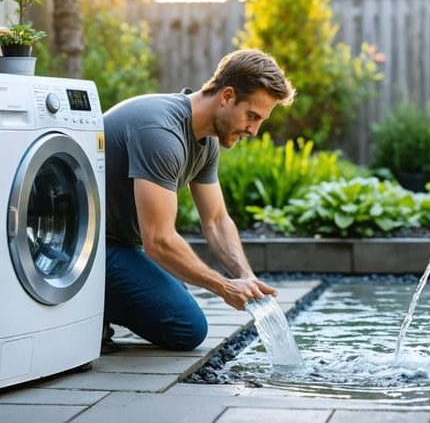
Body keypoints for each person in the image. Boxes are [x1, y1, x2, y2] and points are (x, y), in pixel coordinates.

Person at [102, 49, 296, 352]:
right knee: (187, 326)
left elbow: (216, 220)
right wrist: (223, 286)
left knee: (177, 287)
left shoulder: (206, 140)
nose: (255, 130)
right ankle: (91, 315)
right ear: (227, 96)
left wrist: (246, 277)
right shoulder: (161, 132)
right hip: (84, 248)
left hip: (118, 244)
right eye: (252, 116)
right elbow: (159, 242)